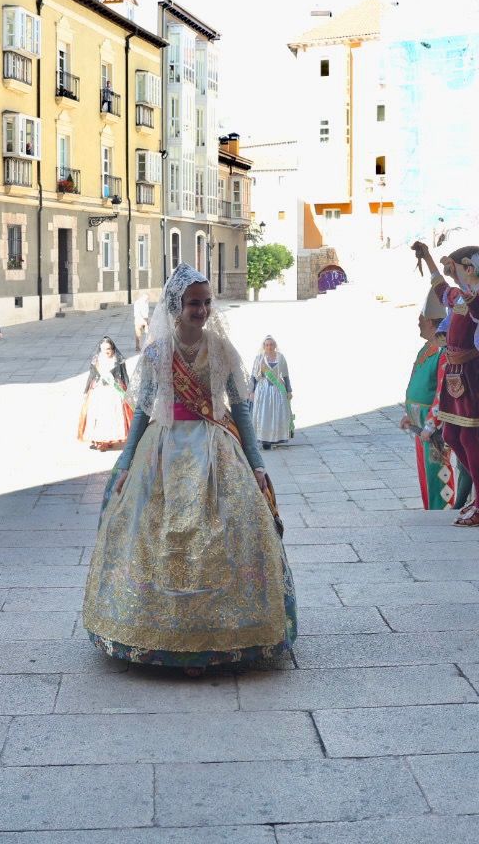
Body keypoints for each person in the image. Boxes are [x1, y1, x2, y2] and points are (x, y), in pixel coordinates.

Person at [84, 264, 294, 674]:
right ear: (176, 306)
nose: (202, 310)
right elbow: (143, 411)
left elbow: (242, 410)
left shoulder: (222, 350)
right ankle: (162, 637)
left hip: (216, 451)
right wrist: (125, 463)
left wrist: (256, 464)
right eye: (194, 303)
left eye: (207, 302)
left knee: (223, 536)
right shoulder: (158, 353)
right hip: (162, 450)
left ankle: (222, 636)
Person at [412, 241, 479, 528]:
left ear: (470, 268)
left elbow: (465, 300)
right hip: (454, 373)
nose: (453, 273)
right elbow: (441, 290)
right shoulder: (462, 297)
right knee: (450, 435)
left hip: (470, 374)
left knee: (468, 438)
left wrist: (454, 275)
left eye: (458, 268)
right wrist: (429, 260)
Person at [402, 295, 466, 511]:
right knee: (425, 472)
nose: (418, 323)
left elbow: (442, 391)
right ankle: (430, 508)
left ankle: (442, 511)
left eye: (420, 319)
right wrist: (409, 416)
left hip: (432, 426)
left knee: (438, 470)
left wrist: (431, 423)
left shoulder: (442, 352)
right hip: (419, 424)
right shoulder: (426, 348)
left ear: (430, 321)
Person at [78, 337, 133, 450]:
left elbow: (125, 376)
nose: (106, 351)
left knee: (112, 414)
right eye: (103, 349)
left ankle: (108, 439)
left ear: (113, 349)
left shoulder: (118, 360)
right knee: (98, 415)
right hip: (99, 391)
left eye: (108, 349)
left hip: (114, 391)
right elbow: (91, 376)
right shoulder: (96, 360)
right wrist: (86, 390)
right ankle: (100, 440)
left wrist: (128, 392)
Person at [250, 335, 294, 448]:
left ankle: (276, 437)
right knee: (264, 414)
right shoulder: (259, 358)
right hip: (263, 389)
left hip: (278, 389)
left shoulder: (280, 357)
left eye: (271, 344)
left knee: (278, 413)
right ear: (264, 346)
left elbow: (286, 375)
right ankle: (264, 440)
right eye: (267, 345)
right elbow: (253, 377)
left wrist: (289, 390)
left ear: (275, 345)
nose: (269, 347)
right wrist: (251, 391)